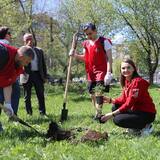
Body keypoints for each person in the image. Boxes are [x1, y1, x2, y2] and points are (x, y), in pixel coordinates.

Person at [100, 58, 156, 135]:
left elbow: (129, 103)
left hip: (146, 113)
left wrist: (111, 115)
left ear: (133, 69)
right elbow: (123, 100)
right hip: (136, 110)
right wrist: (110, 100)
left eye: (128, 67)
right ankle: (135, 127)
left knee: (117, 120)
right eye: (123, 68)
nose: (126, 70)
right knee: (115, 106)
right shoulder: (127, 81)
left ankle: (146, 126)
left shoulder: (137, 82)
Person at [69, 23, 113, 119]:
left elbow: (110, 59)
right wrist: (75, 55)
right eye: (87, 34)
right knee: (92, 94)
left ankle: (98, 114)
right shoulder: (86, 44)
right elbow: (85, 58)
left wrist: (109, 72)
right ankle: (102, 108)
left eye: (90, 33)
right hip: (90, 72)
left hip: (101, 72)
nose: (89, 36)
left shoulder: (104, 41)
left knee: (98, 93)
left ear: (95, 31)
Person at [0, 44, 34, 131]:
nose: (26, 65)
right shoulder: (3, 53)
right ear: (21, 57)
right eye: (26, 62)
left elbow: (8, 83)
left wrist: (8, 104)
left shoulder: (17, 66)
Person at [20, 33, 48, 116]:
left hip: (38, 75)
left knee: (40, 94)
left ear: (33, 40)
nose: (29, 41)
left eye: (31, 39)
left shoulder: (39, 50)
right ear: (24, 41)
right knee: (27, 96)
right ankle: (29, 113)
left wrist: (45, 76)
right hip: (26, 75)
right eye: (27, 39)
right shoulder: (21, 50)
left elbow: (43, 64)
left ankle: (42, 113)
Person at [0, 26, 20, 116]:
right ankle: (12, 113)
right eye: (9, 34)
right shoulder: (5, 47)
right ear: (4, 35)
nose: (10, 36)